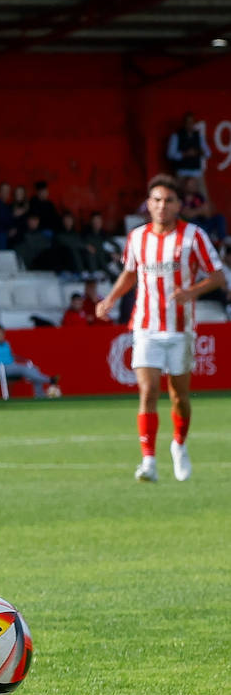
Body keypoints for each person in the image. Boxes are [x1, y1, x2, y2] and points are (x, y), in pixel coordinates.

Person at [96, 174, 226, 483]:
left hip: (180, 329)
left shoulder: (193, 236)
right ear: (148, 204)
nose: (162, 206)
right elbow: (130, 273)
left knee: (179, 395)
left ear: (179, 205)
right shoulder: (137, 238)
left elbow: (218, 276)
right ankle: (149, 461)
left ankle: (179, 444)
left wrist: (191, 292)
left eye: (168, 201)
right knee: (148, 390)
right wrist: (110, 299)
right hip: (146, 327)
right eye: (156, 200)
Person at [0, 324, 60, 400]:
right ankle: (50, 380)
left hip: (12, 367)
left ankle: (40, 396)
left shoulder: (6, 344)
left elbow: (11, 357)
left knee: (33, 369)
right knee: (24, 369)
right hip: (0, 369)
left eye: (1, 333)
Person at [167, 111, 209, 191]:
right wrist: (185, 154)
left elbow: (208, 153)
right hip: (182, 172)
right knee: (179, 195)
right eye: (188, 122)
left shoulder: (199, 136)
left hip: (196, 172)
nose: (190, 124)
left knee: (203, 195)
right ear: (184, 123)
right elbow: (170, 154)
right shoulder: (176, 135)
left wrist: (198, 152)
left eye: (192, 122)